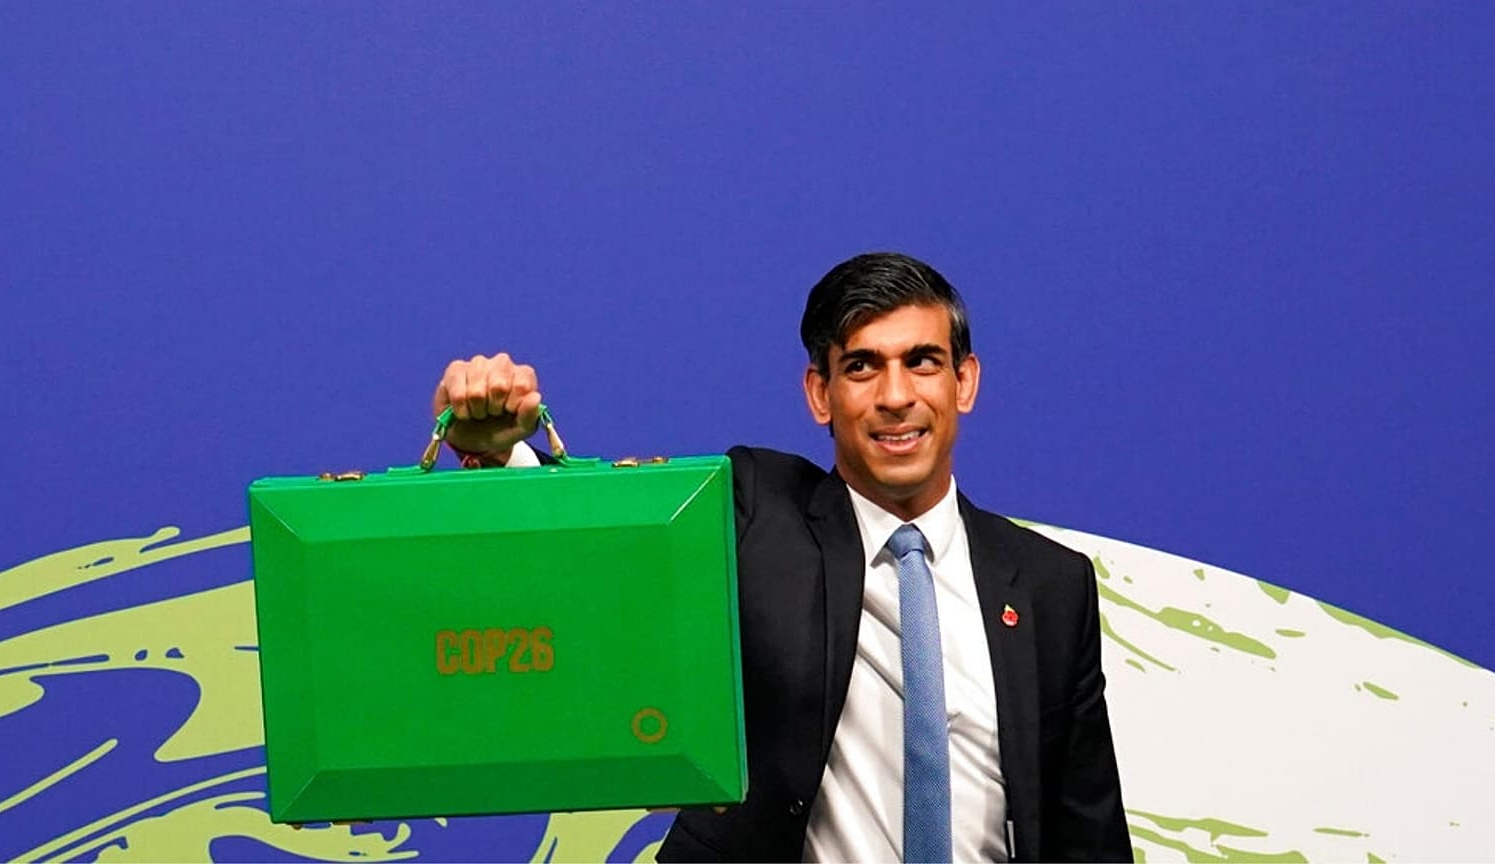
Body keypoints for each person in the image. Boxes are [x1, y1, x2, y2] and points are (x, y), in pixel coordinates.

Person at [433, 252, 1131, 862]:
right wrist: (500, 454)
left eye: (922, 362)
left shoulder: (1048, 585)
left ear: (965, 382)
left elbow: (1088, 833)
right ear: (820, 394)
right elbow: (597, 555)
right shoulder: (756, 513)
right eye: (861, 367)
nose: (896, 397)